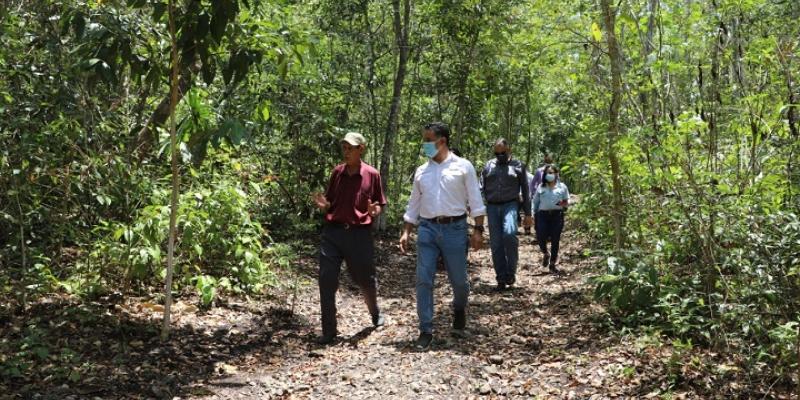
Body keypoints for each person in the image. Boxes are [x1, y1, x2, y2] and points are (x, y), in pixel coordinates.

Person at [399, 122, 486, 351]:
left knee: (458, 280)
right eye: (424, 140)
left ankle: (459, 308)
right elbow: (413, 205)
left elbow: (476, 201)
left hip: (455, 229)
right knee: (423, 279)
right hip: (427, 229)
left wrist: (478, 230)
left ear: (442, 141)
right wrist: (407, 232)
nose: (425, 145)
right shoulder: (421, 171)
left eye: (429, 140)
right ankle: (426, 330)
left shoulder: (463, 167)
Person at [311, 132, 387, 345]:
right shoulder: (337, 172)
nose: (346, 152)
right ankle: (329, 331)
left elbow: (379, 203)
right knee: (326, 280)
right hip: (333, 232)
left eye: (350, 148)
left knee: (365, 279)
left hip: (358, 234)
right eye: (344, 147)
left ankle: (375, 312)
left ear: (361, 149)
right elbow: (330, 202)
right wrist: (324, 205)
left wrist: (374, 211)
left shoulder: (372, 174)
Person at [480, 138, 532, 290]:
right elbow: (481, 186)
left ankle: (511, 272)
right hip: (492, 207)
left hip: (510, 205)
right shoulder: (489, 165)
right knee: (496, 243)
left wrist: (528, 214)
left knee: (509, 235)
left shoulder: (518, 166)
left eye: (503, 152)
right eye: (497, 153)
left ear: (509, 150)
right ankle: (501, 278)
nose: (500, 155)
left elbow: (526, 190)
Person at [532, 164, 569, 274]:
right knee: (540, 235)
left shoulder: (562, 187)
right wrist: (533, 215)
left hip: (557, 215)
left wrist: (560, 203)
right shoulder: (541, 187)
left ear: (556, 174)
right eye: (547, 173)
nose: (549, 175)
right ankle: (545, 253)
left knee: (555, 239)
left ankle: (552, 263)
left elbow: (567, 201)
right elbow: (535, 202)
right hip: (542, 215)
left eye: (551, 173)